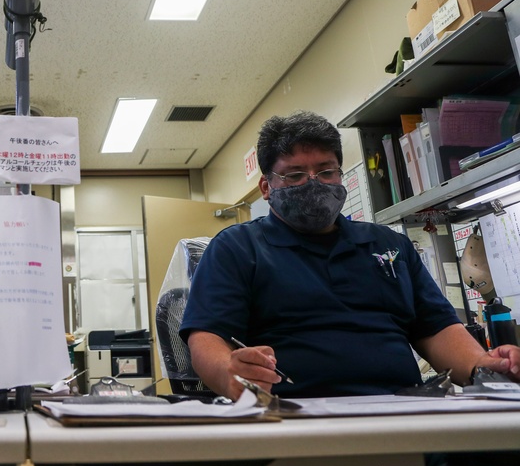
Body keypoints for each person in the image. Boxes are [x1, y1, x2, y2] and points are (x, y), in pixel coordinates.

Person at [180, 110, 520, 401]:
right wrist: (231, 374)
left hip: (404, 411)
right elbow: (207, 339)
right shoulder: (237, 248)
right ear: (267, 187)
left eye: (326, 171)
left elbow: (436, 328)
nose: (313, 183)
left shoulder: (389, 246)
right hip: (293, 416)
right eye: (295, 174)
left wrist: (484, 366)